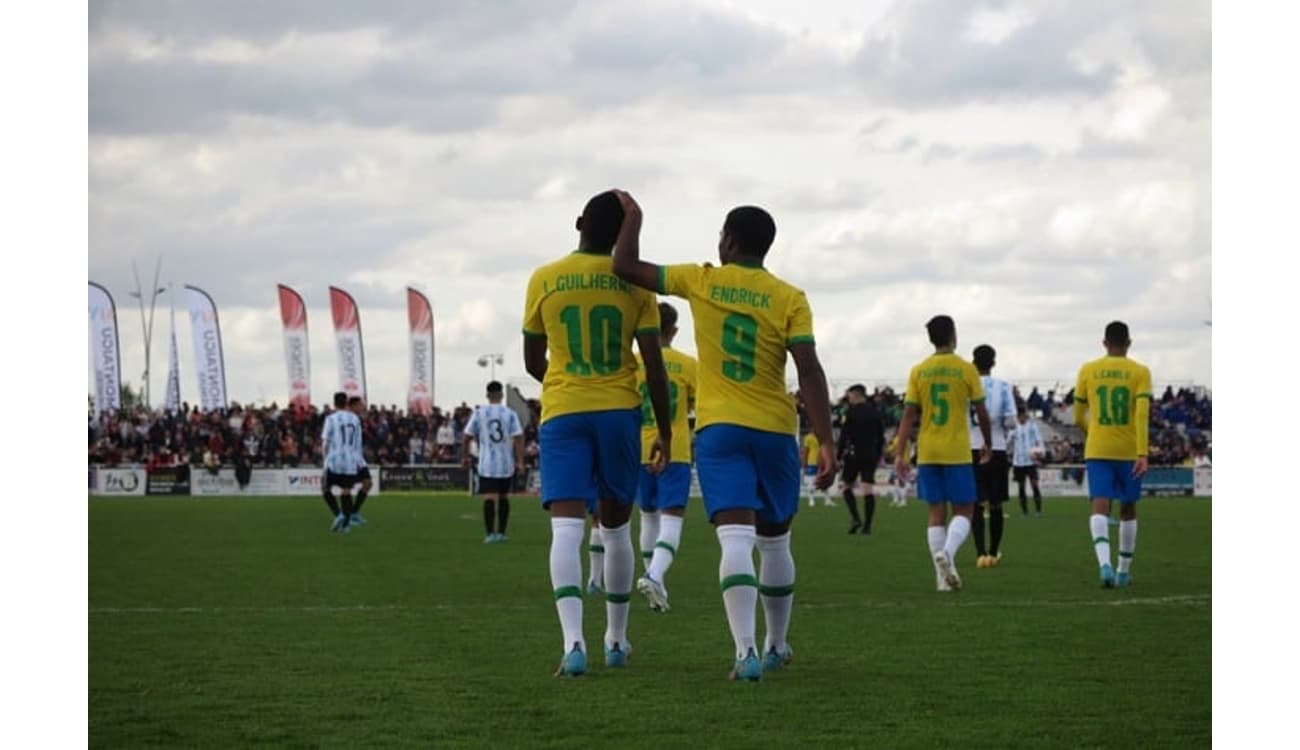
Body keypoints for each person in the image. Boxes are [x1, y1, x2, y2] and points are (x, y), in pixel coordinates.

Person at [611, 191, 837, 682]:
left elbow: (624, 266)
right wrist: (827, 442)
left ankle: (745, 652)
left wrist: (634, 217)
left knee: (734, 538)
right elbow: (810, 370)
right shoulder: (790, 298)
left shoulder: (702, 279)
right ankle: (777, 644)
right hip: (776, 430)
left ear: (729, 241)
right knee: (776, 543)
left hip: (720, 431)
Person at [522, 190, 673, 677]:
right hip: (619, 411)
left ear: (579, 222)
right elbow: (654, 367)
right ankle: (616, 638)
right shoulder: (634, 285)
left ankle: (572, 645)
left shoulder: (544, 278)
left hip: (564, 411)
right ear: (620, 235)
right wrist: (666, 432)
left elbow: (531, 360)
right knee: (616, 528)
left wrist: (566, 385)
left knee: (565, 530)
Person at [894, 316, 992, 592]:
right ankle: (947, 554)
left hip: (928, 449)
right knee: (965, 509)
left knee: (935, 511)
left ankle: (942, 580)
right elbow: (981, 411)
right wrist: (986, 440)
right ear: (953, 335)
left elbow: (908, 415)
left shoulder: (919, 370)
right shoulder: (965, 369)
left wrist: (899, 452)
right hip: (957, 449)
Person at [1073, 321, 1151, 589]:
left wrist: (1090, 430)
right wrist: (1142, 452)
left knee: (1100, 503)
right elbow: (1142, 414)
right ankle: (1123, 571)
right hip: (1129, 449)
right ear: (1129, 343)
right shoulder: (1140, 372)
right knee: (1128, 508)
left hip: (1098, 448)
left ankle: (1103, 564)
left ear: (1104, 343)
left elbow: (1077, 415)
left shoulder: (1088, 370)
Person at [634, 301, 699, 613]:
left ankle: (654, 583)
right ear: (673, 330)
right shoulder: (688, 365)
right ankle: (654, 574)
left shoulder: (632, 363)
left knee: (647, 516)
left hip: (639, 449)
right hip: (674, 450)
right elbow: (701, 405)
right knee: (671, 519)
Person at [968, 345, 1017, 568]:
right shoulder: (1003, 387)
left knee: (976, 503)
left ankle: (980, 553)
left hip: (972, 447)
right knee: (996, 504)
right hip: (996, 447)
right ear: (993, 363)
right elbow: (1011, 421)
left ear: (973, 362)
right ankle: (994, 552)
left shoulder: (967, 386)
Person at [462, 381, 525, 543]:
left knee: (489, 497)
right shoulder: (510, 413)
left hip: (487, 463)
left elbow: (466, 436)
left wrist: (465, 456)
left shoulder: (479, 413)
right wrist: (520, 461)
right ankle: (502, 533)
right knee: (504, 497)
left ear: (487, 395)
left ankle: (490, 534)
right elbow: (518, 438)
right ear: (502, 395)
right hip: (506, 463)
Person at [838, 384, 885, 535]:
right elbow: (881, 437)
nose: (849, 399)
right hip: (870, 455)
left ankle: (856, 517)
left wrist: (838, 455)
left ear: (856, 395)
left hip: (853, 455)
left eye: (850, 396)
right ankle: (868, 526)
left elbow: (844, 436)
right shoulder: (875, 412)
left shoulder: (850, 413)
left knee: (846, 486)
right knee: (867, 490)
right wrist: (877, 455)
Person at [321, 391, 363, 533]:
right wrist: (358, 460)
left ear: (334, 403)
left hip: (334, 459)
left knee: (325, 488)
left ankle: (338, 514)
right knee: (346, 491)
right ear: (346, 403)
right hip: (350, 460)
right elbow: (358, 443)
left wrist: (324, 459)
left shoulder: (331, 419)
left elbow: (325, 442)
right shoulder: (355, 419)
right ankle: (346, 526)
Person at [1008, 406, 1046, 517]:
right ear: (1018, 416)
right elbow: (1008, 443)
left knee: (1034, 484)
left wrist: (1040, 452)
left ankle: (1038, 510)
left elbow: (1039, 440)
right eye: (1020, 416)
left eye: (1024, 415)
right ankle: (1024, 512)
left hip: (1031, 461)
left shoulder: (1032, 427)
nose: (1022, 418)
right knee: (1021, 486)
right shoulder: (1014, 429)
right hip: (1018, 462)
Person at [347, 397, 373, 527]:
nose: (363, 406)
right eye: (361, 404)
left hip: (358, 458)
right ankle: (348, 515)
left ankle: (353, 513)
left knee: (367, 483)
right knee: (348, 486)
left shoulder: (357, 419)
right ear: (353, 406)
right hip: (350, 458)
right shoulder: (347, 419)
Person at [801, 430, 834, 507]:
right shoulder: (808, 437)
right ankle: (811, 499)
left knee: (824, 480)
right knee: (811, 482)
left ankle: (827, 500)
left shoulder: (823, 438)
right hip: (811, 462)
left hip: (822, 462)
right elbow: (806, 451)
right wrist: (804, 463)